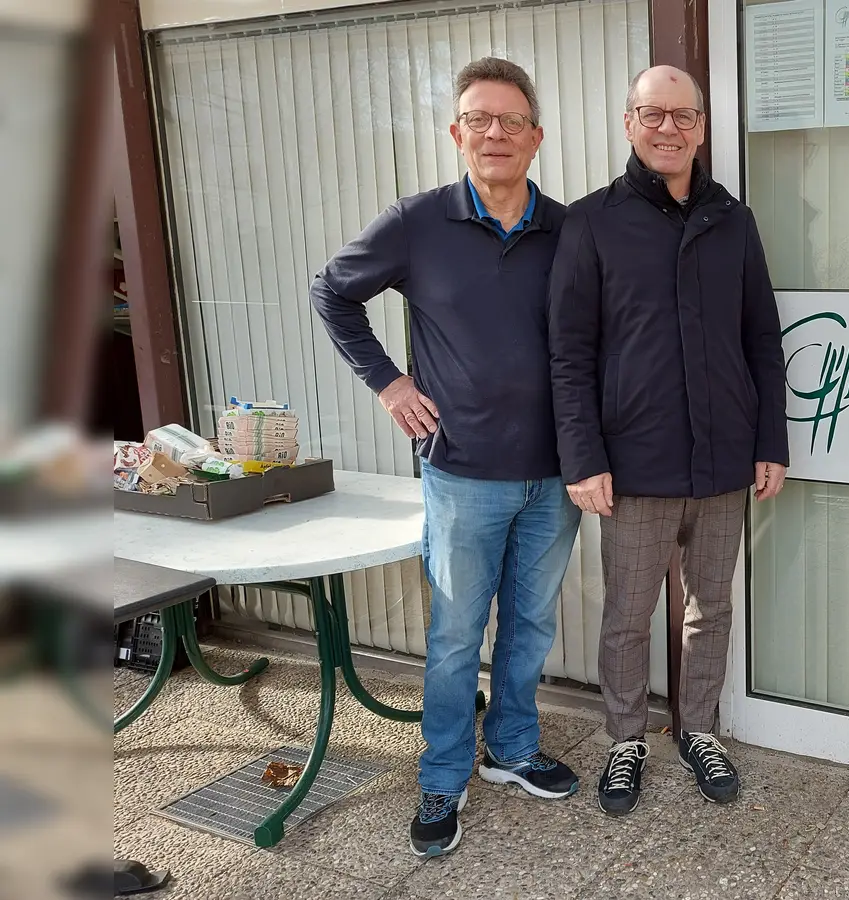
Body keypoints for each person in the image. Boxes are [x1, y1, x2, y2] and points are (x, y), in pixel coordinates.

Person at [310, 57, 582, 858]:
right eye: (479, 118)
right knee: (459, 633)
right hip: (463, 471)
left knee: (530, 624)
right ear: (457, 132)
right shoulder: (416, 223)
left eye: (512, 121)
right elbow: (333, 291)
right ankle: (442, 773)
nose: (495, 133)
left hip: (560, 474)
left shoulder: (568, 230)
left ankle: (513, 746)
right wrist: (390, 383)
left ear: (536, 136)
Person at [547, 65, 788, 817]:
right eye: (652, 114)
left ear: (702, 128)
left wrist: (770, 440)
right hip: (635, 464)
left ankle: (699, 727)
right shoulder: (590, 222)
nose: (668, 129)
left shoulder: (732, 220)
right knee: (628, 611)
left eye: (683, 116)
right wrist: (582, 456)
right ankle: (625, 740)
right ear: (629, 124)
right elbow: (569, 353)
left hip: (723, 461)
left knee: (709, 607)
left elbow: (761, 339)